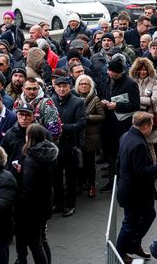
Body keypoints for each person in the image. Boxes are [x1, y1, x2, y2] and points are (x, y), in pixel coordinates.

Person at [115, 112, 157, 263]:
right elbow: (140, 172)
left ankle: (134, 244)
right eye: (151, 125)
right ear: (145, 126)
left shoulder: (125, 136)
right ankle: (120, 253)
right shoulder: (137, 144)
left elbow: (119, 163)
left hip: (131, 190)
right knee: (129, 223)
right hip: (135, 193)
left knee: (149, 215)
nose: (152, 128)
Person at [14, 124, 57, 264]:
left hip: (31, 209)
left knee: (35, 242)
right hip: (45, 203)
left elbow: (28, 189)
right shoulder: (50, 155)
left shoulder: (30, 160)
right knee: (41, 238)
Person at [99, 59, 140, 193]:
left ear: (119, 72)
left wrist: (117, 105)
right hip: (109, 124)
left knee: (122, 154)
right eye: (108, 70)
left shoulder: (130, 84)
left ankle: (124, 180)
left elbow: (135, 105)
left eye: (111, 71)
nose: (109, 73)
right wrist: (104, 102)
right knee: (110, 154)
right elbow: (104, 95)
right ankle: (112, 180)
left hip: (123, 125)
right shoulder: (107, 81)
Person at [51, 75, 86, 217]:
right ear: (55, 87)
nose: (61, 89)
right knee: (56, 177)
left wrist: (61, 127)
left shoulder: (78, 102)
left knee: (71, 178)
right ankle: (58, 204)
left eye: (64, 86)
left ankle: (70, 204)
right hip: (55, 146)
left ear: (70, 87)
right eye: (59, 86)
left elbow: (81, 123)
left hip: (71, 145)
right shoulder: (51, 101)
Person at [75, 75, 105, 197]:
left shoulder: (95, 99)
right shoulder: (74, 98)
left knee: (89, 162)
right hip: (77, 135)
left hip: (90, 135)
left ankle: (91, 185)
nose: (83, 86)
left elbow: (102, 116)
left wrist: (88, 117)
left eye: (86, 84)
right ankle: (80, 184)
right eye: (81, 83)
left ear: (90, 86)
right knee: (78, 162)